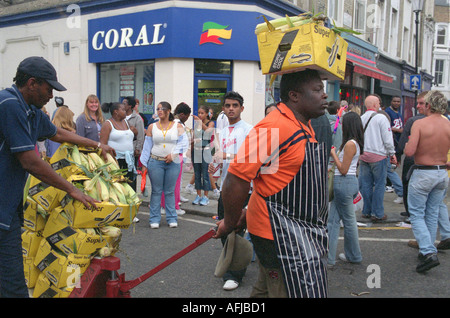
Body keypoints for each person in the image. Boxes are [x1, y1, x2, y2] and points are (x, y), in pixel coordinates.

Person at [0, 56, 114, 298]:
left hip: (9, 207)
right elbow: (30, 161)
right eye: (48, 87)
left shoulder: (30, 109)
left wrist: (96, 145)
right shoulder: (9, 104)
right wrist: (71, 189)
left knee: (9, 279)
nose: (51, 94)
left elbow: (58, 133)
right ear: (32, 83)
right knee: (13, 286)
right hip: (1, 209)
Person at [214, 69, 330, 298]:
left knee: (265, 289)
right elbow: (236, 178)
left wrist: (247, 212)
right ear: (294, 95)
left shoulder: (304, 124)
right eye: (317, 90)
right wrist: (229, 221)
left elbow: (271, 181)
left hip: (299, 228)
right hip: (279, 235)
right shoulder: (272, 127)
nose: (324, 96)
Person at [210, 91, 253, 291]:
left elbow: (250, 159)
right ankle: (231, 266)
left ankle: (234, 275)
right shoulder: (223, 131)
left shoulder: (248, 130)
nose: (231, 109)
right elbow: (220, 160)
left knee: (236, 230)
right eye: (227, 105)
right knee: (225, 229)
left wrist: (224, 154)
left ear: (241, 108)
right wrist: (214, 167)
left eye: (235, 105)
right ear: (223, 109)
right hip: (225, 188)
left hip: (243, 188)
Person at [404, 90, 450, 273]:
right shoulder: (448, 125)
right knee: (432, 213)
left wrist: (408, 143)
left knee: (416, 214)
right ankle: (427, 249)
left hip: (423, 172)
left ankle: (429, 251)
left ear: (429, 105)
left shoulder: (420, 124)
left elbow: (409, 152)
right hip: (441, 173)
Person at [140, 102, 188, 229]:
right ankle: (154, 218)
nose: (159, 111)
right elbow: (147, 147)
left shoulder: (177, 126)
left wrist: (174, 154)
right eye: (158, 109)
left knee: (170, 191)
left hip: (173, 163)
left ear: (169, 111)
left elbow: (184, 143)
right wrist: (144, 163)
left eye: (162, 109)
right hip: (155, 162)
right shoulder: (152, 126)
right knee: (156, 191)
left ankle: (172, 218)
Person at [327, 112, 364, 266]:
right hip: (347, 182)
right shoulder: (354, 143)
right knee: (333, 221)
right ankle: (328, 259)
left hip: (344, 182)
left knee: (348, 222)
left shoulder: (350, 144)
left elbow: (343, 169)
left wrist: (333, 154)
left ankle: (354, 255)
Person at [359, 95, 397, 222]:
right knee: (380, 185)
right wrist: (392, 153)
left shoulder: (361, 118)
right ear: (376, 105)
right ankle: (378, 213)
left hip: (364, 155)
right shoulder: (381, 118)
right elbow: (387, 138)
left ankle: (366, 211)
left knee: (366, 185)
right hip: (378, 155)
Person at [398, 92, 427, 218]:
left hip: (413, 159)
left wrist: (398, 155)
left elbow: (403, 143)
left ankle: (410, 211)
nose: (418, 106)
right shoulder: (443, 121)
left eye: (421, 103)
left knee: (407, 184)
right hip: (433, 163)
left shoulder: (413, 121)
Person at [161, 102, 192, 215]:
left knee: (167, 183)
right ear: (183, 114)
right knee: (174, 183)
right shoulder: (178, 125)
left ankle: (164, 206)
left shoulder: (169, 123)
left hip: (169, 153)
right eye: (187, 116)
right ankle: (173, 207)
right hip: (176, 155)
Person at [100, 102, 137, 192]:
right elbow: (102, 144)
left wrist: (135, 131)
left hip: (129, 160)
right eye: (123, 110)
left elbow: (131, 136)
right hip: (115, 161)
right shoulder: (108, 124)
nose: (126, 111)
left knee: (130, 186)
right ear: (116, 112)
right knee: (118, 187)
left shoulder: (126, 122)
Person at [191, 105, 215, 206]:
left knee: (205, 174)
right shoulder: (197, 123)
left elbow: (208, 132)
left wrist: (200, 122)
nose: (200, 115)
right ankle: (198, 195)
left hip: (205, 151)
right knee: (197, 174)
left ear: (206, 114)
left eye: (202, 113)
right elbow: (194, 136)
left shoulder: (211, 123)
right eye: (199, 113)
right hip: (196, 150)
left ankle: (206, 196)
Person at [384, 96, 404, 204]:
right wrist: (397, 130)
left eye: (398, 101)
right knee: (390, 169)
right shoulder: (387, 112)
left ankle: (398, 190)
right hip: (391, 143)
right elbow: (386, 127)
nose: (396, 103)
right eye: (394, 101)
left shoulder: (399, 114)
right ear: (391, 102)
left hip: (396, 145)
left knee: (390, 169)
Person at [123, 96, 145, 191]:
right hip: (121, 150)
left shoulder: (137, 118)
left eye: (124, 103)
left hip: (132, 150)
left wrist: (138, 149)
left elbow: (140, 135)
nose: (122, 105)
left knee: (131, 173)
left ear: (130, 106)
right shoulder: (121, 116)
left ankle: (131, 192)